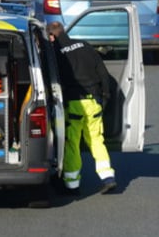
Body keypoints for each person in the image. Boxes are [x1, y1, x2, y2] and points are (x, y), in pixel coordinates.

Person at [47, 22, 117, 195]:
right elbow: (103, 72)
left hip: (74, 104)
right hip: (94, 101)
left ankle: (72, 185)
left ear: (51, 37)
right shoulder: (84, 45)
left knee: (72, 144)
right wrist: (105, 96)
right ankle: (108, 177)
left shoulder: (55, 54)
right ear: (63, 31)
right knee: (96, 140)